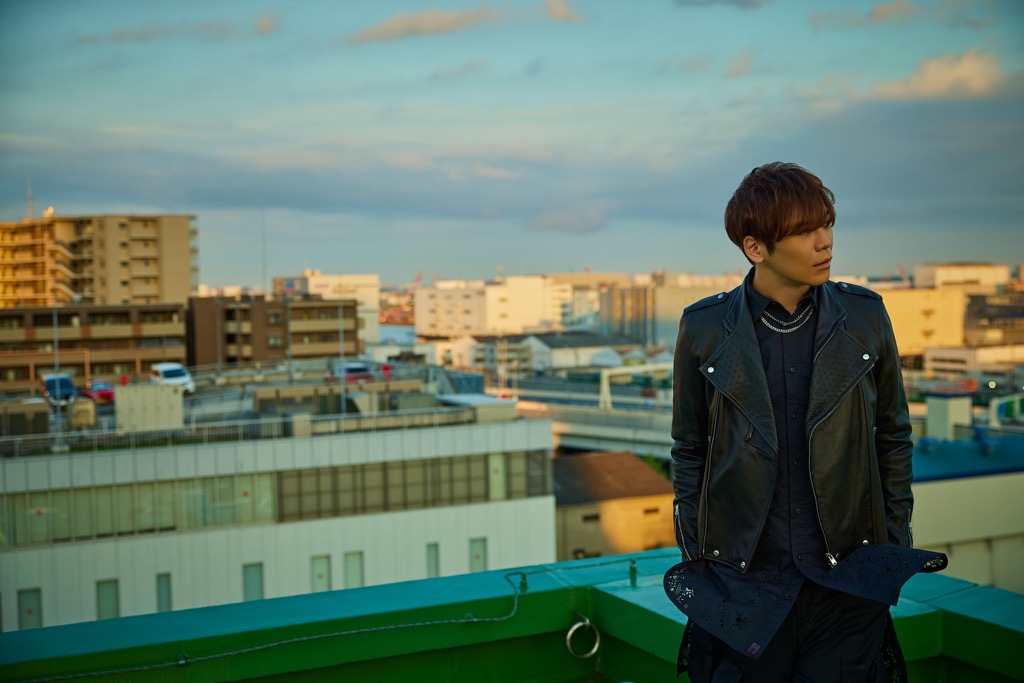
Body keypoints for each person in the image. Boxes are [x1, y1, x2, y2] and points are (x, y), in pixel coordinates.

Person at [663, 162, 946, 682]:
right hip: (745, 580)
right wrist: (700, 551)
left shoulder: (865, 316)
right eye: (804, 231)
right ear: (756, 248)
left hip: (847, 577)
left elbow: (893, 435)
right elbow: (689, 446)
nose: (825, 242)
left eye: (827, 225)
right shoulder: (704, 326)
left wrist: (892, 540)